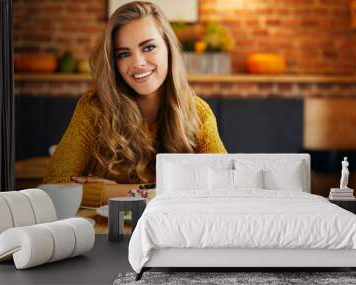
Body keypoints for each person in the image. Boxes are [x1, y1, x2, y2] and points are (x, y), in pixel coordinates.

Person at [43, 1, 227, 206]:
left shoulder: (198, 113)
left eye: (148, 47)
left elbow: (225, 184)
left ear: (168, 48)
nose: (138, 63)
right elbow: (53, 185)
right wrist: (147, 193)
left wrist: (110, 190)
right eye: (123, 54)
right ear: (115, 62)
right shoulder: (94, 108)